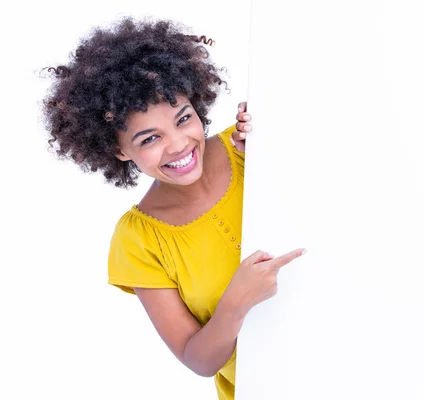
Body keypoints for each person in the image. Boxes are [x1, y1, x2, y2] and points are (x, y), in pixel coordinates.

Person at [41, 17, 306, 400]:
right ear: (119, 151)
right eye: (150, 138)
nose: (179, 144)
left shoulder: (248, 146)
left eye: (184, 118)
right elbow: (198, 360)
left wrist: (278, 151)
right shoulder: (138, 239)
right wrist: (235, 303)